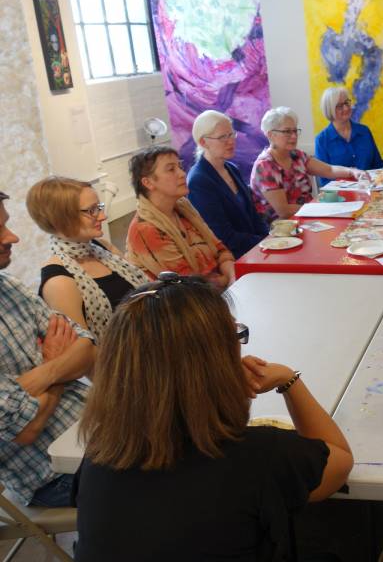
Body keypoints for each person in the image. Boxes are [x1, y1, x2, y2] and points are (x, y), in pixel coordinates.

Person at [73, 274, 354, 560]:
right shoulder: (260, 457)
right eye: (233, 334)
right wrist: (289, 380)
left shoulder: (99, 452)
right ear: (214, 361)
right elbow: (340, 460)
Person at [0, 189, 95, 507]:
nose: (12, 237)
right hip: (51, 474)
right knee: (171, 473)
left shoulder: (8, 286)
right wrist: (57, 365)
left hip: (94, 424)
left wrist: (44, 374)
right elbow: (27, 430)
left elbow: (86, 347)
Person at [26, 177, 147, 338]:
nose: (102, 216)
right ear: (60, 219)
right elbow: (85, 350)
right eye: (91, 210)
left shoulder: (103, 247)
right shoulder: (58, 282)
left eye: (99, 207)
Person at [125, 145, 235, 288]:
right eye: (171, 169)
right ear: (148, 183)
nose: (182, 173)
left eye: (179, 166)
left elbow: (220, 250)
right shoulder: (145, 229)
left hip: (217, 291)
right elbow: (189, 286)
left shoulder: (183, 208)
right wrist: (228, 279)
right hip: (185, 305)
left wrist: (232, 276)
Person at [250, 106, 368, 222]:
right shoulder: (265, 166)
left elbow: (329, 170)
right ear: (270, 135)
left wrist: (353, 171)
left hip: (308, 218)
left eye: (295, 130)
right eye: (287, 132)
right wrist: (320, 208)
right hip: (282, 231)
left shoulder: (297, 155)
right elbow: (284, 211)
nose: (294, 136)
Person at [188, 110, 269, 259]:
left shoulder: (232, 168)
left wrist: (269, 237)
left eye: (231, 134)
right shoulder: (199, 181)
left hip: (254, 250)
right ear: (203, 142)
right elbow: (222, 236)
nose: (231, 141)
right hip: (231, 258)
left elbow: (253, 215)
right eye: (222, 137)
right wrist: (264, 242)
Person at [314, 87, 383, 176]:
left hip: (370, 188)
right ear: (329, 109)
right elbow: (324, 179)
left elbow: (378, 165)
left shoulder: (364, 131)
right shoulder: (321, 140)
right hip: (339, 190)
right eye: (339, 106)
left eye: (347, 103)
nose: (346, 108)